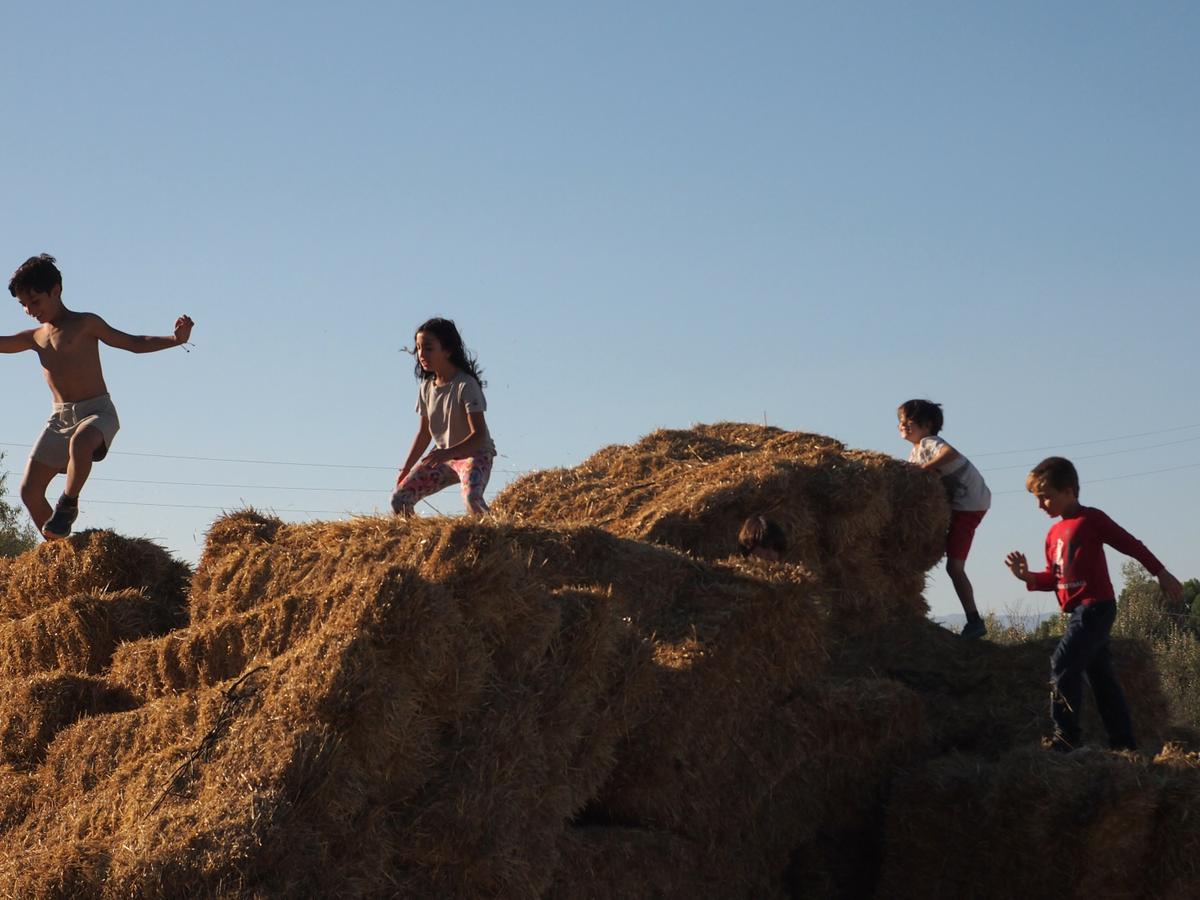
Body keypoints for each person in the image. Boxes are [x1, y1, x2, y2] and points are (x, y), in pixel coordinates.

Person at [3, 254, 194, 539]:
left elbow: (133, 343)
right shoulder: (35, 337)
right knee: (29, 491)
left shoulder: (85, 324)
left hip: (97, 412)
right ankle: (62, 554)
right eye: (24, 305)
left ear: (56, 290)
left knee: (82, 443)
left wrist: (175, 340)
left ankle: (68, 504)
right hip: (59, 418)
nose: (30, 310)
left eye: (35, 302)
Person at [1005, 456, 1183, 752]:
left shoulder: (1091, 520)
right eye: (1038, 499)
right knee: (1102, 680)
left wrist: (1160, 572)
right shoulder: (1053, 535)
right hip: (1078, 611)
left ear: (1070, 491)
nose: (1041, 505)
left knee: (1062, 665)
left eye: (1046, 497)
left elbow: (1130, 543)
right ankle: (1124, 744)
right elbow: (1054, 579)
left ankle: (1066, 736)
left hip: (1096, 608)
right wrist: (1028, 576)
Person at [898, 399, 992, 639]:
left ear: (927, 425)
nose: (902, 426)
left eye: (908, 422)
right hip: (961, 504)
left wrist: (924, 469)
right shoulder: (915, 451)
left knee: (954, 567)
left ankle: (974, 620)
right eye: (900, 422)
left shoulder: (930, 443)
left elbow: (950, 454)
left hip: (969, 505)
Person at [391, 317, 495, 517]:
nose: (421, 354)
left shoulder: (466, 385)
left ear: (447, 350)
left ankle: (497, 537)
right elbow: (423, 434)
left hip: (474, 454)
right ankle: (421, 544)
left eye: (428, 348)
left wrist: (448, 453)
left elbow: (479, 435)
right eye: (419, 348)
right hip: (442, 457)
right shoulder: (426, 388)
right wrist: (406, 469)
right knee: (399, 499)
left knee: (472, 499)